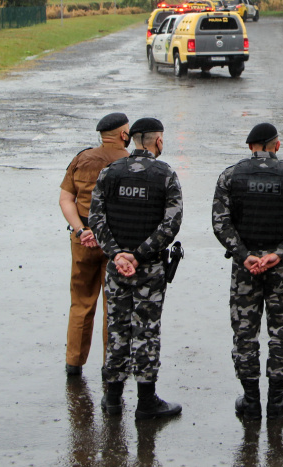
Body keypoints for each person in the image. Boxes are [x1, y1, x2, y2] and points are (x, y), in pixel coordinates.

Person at [212, 123, 283, 420]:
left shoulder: (231, 176)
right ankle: (276, 399)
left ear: (250, 147)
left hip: (245, 269)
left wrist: (244, 255)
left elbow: (221, 223)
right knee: (280, 331)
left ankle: (251, 400)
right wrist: (278, 254)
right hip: (280, 267)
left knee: (245, 332)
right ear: (276, 146)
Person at [89, 117, 184, 419]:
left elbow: (96, 219)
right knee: (146, 330)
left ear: (133, 139)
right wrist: (140, 256)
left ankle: (113, 399)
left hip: (117, 269)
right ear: (157, 141)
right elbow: (171, 224)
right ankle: (146, 402)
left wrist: (118, 255)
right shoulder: (165, 174)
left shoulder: (110, 172)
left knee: (117, 328)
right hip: (150, 269)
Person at [60, 113, 130, 377]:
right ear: (124, 135)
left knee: (80, 302)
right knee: (114, 306)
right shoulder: (129, 162)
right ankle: (110, 365)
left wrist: (81, 231)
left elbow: (66, 199)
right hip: (117, 243)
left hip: (83, 241)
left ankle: (73, 363)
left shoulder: (82, 158)